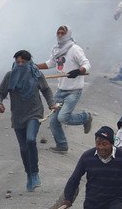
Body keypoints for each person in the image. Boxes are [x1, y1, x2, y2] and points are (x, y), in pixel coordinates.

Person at [0, 50, 55, 192]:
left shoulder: (36, 74)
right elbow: (0, 93)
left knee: (30, 140)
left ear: (29, 62)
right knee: (23, 148)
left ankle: (35, 173)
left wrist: (51, 103)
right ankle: (29, 174)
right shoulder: (10, 76)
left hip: (34, 113)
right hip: (17, 116)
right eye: (18, 62)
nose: (20, 65)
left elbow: (46, 90)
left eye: (24, 62)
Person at [36, 25, 93, 153]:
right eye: (58, 33)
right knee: (53, 121)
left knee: (63, 117)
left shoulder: (75, 49)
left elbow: (86, 64)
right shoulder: (57, 49)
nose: (60, 35)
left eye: (63, 33)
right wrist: (34, 66)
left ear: (68, 35)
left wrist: (79, 71)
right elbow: (51, 63)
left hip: (74, 91)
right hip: (61, 90)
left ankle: (85, 117)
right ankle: (62, 146)